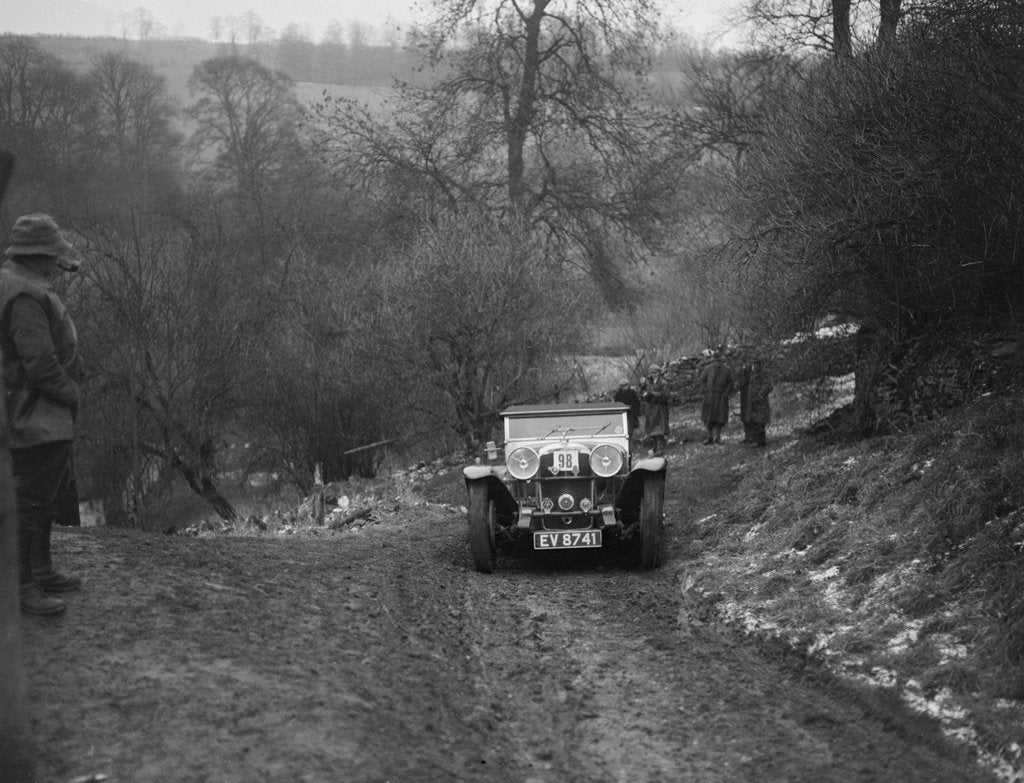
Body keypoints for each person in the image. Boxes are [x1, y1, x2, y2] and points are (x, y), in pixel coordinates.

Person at [0, 214, 83, 616]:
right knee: (30, 501)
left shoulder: (20, 281)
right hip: (34, 412)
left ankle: (41, 569)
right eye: (53, 256)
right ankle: (20, 585)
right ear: (39, 256)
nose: (58, 264)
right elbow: (39, 363)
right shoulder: (24, 294)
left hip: (39, 411)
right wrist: (70, 393)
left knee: (44, 495)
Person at [699, 348, 734, 445]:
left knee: (720, 418)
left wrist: (726, 394)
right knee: (708, 418)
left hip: (720, 397)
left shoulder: (727, 369)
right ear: (713, 361)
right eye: (715, 360)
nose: (717, 363)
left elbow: (731, 383)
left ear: (721, 361)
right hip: (709, 397)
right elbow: (701, 380)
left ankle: (718, 437)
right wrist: (705, 391)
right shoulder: (707, 369)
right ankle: (710, 437)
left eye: (719, 360)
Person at [640, 365, 670, 455]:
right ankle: (654, 446)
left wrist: (653, 393)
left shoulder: (664, 383)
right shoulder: (648, 382)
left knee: (660, 427)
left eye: (655, 372)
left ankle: (661, 447)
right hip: (651, 408)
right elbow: (643, 392)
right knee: (652, 427)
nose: (653, 375)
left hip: (660, 407)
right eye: (651, 373)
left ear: (659, 373)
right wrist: (644, 393)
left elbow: (665, 395)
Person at [746, 359, 773, 447]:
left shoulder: (765, 373)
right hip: (753, 401)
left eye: (757, 363)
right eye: (754, 363)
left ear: (761, 364)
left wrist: (761, 395)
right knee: (754, 421)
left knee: (760, 421)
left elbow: (768, 385)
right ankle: (756, 440)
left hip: (761, 402)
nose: (755, 365)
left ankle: (761, 442)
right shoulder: (753, 373)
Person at [612, 378, 641, 447]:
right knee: (622, 430)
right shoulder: (618, 395)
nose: (624, 387)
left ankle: (630, 445)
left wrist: (634, 411)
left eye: (625, 385)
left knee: (630, 431)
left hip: (631, 414)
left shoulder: (632, 393)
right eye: (622, 386)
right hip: (621, 415)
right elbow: (616, 404)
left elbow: (637, 403)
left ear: (628, 385)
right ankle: (623, 445)